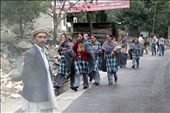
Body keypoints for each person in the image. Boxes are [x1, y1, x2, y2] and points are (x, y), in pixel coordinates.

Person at [21, 28, 57, 113]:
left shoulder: (44, 52)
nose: (42, 40)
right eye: (39, 37)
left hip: (45, 90)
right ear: (34, 39)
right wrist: (33, 89)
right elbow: (25, 74)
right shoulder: (31, 53)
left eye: (44, 37)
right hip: (36, 94)